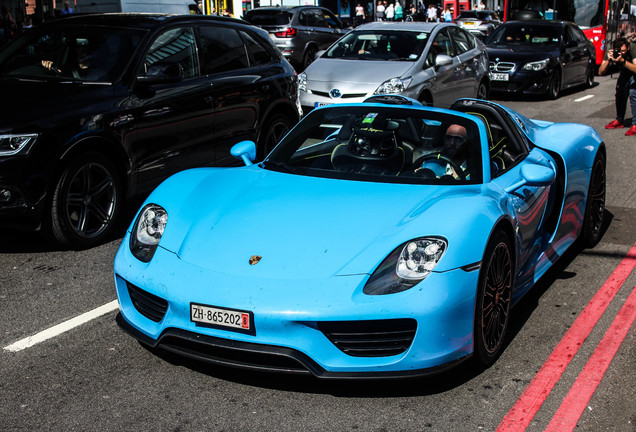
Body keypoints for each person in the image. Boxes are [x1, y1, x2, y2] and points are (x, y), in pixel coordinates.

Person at [599, 37, 636, 135]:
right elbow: (600, 72)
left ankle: (635, 124)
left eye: (623, 51)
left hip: (634, 72)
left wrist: (622, 61)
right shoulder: (612, 51)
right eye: (619, 51)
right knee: (620, 92)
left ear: (628, 48)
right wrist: (608, 60)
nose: (621, 53)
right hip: (625, 72)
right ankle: (619, 121)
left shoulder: (633, 48)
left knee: (633, 92)